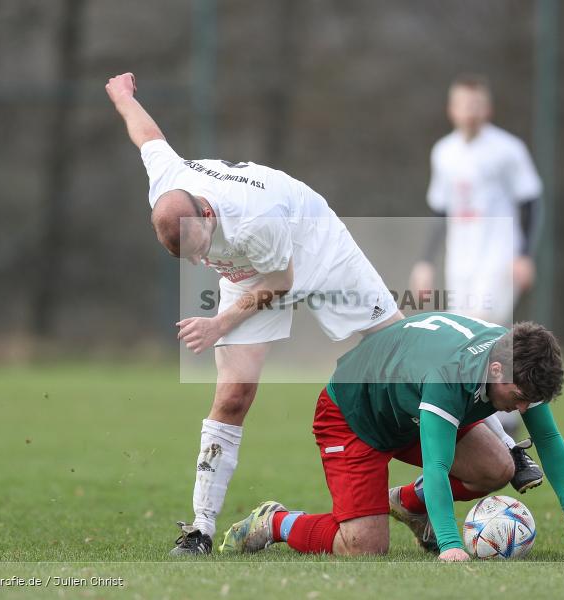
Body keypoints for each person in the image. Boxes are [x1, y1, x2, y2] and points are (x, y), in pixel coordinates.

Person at [105, 72, 404, 555]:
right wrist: (123, 97)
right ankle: (200, 529)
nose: (200, 262)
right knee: (233, 395)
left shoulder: (252, 219)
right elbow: (148, 135)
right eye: (188, 260)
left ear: (206, 215)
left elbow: (281, 282)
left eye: (200, 248)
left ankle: (505, 442)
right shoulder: (166, 184)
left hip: (311, 242)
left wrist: (220, 323)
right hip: (252, 272)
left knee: (398, 345)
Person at [218, 312, 564, 561]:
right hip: (354, 415)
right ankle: (275, 521)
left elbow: (549, 439)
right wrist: (452, 546)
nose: (522, 409)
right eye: (518, 399)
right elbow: (437, 467)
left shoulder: (519, 362)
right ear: (497, 369)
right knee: (365, 548)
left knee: (496, 467)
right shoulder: (451, 377)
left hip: (409, 407)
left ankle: (408, 504)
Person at [409, 73, 543, 446]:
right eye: (464, 104)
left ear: (488, 108)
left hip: (499, 254)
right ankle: (498, 425)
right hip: (461, 258)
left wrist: (525, 254)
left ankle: (505, 427)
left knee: (486, 330)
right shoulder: (444, 151)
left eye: (477, 104)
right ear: (452, 109)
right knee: (467, 335)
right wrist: (425, 262)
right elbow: (439, 211)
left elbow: (531, 200)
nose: (470, 112)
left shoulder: (507, 149)